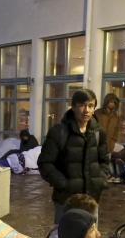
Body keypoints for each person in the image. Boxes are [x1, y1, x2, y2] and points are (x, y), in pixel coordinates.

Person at [38, 89, 110, 224]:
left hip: (91, 198)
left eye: (91, 106)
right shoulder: (59, 132)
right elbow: (45, 163)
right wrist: (64, 184)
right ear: (74, 106)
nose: (86, 110)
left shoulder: (98, 132)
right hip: (66, 199)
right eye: (82, 105)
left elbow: (104, 160)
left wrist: (101, 180)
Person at [93, 93, 122, 183]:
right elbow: (92, 126)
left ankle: (105, 177)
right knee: (96, 160)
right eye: (111, 102)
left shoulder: (115, 116)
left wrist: (113, 140)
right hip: (97, 142)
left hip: (109, 143)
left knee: (106, 161)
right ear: (106, 102)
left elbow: (116, 129)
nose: (112, 104)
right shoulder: (98, 113)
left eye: (114, 103)